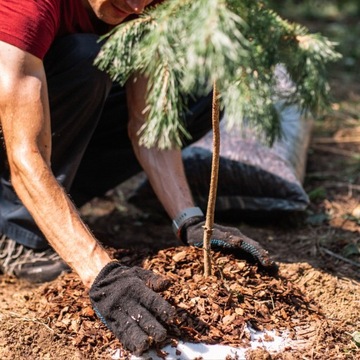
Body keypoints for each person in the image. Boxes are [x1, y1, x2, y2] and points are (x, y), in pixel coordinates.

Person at [0, 0, 275, 355]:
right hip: (13, 133)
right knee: (88, 58)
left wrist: (188, 219)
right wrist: (101, 274)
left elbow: (149, 123)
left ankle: (56, 209)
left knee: (194, 95)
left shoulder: (145, 6)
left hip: (59, 123)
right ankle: (15, 230)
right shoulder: (27, 7)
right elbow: (26, 153)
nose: (135, 4)